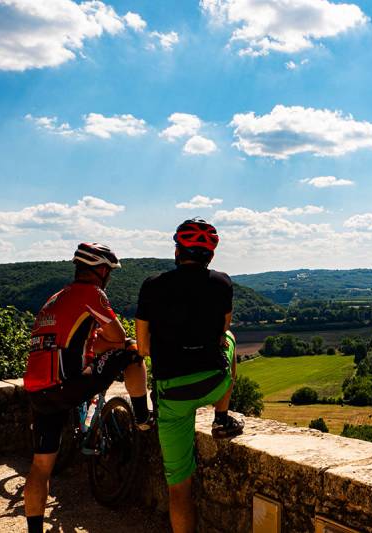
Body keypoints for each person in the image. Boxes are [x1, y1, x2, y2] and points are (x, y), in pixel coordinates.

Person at [23, 243, 150, 533]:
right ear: (102, 270)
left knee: (41, 466)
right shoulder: (92, 293)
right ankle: (142, 418)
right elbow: (117, 336)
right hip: (66, 384)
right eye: (109, 272)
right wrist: (117, 343)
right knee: (131, 351)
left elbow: (72, 341)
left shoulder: (55, 298)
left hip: (37, 388)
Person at [135, 218, 243, 533]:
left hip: (172, 394)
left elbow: (142, 347)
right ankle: (222, 417)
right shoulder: (222, 283)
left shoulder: (152, 285)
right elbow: (223, 329)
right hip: (213, 382)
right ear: (210, 256)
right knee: (233, 340)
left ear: (177, 250)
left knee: (178, 488)